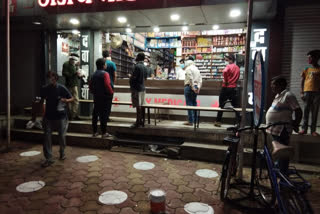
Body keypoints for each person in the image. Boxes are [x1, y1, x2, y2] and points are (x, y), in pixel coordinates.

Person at [266, 76, 302, 174]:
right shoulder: (278, 96)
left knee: (283, 154)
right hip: (275, 130)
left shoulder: (288, 95)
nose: (271, 86)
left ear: (281, 85)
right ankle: (280, 172)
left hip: (282, 130)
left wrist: (295, 124)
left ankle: (283, 176)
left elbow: (298, 110)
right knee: (279, 154)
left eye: (273, 84)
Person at [40, 71, 74, 167]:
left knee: (62, 136)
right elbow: (41, 101)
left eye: (52, 77)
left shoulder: (61, 88)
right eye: (49, 77)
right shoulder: (45, 89)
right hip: (48, 117)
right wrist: (42, 114)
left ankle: (62, 152)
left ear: (56, 78)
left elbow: (72, 98)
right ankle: (49, 158)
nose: (50, 79)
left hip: (61, 117)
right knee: (47, 137)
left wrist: (65, 100)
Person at [90, 58, 114, 138]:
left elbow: (90, 86)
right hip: (105, 97)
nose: (106, 65)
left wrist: (94, 92)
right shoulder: (105, 74)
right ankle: (104, 133)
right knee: (104, 115)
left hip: (96, 96)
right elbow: (107, 84)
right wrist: (111, 92)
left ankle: (95, 132)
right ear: (103, 65)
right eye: (105, 64)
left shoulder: (93, 74)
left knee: (95, 114)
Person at [214, 54, 240, 127]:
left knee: (221, 105)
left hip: (226, 87)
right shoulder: (237, 67)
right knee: (235, 106)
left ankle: (218, 121)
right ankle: (239, 122)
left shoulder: (228, 66)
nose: (225, 61)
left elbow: (225, 72)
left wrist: (225, 80)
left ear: (230, 59)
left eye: (226, 60)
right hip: (233, 88)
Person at [299, 49, 320, 137]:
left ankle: (313, 130)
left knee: (314, 112)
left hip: (317, 93)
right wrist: (301, 92)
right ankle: (304, 129)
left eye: (310, 58)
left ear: (316, 58)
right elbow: (302, 80)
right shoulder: (306, 69)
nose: (309, 60)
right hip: (307, 92)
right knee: (306, 110)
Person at [130, 53, 148, 128]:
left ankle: (138, 122)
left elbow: (134, 78)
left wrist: (130, 79)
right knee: (142, 105)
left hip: (136, 88)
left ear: (138, 57)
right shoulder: (145, 67)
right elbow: (146, 78)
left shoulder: (137, 66)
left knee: (138, 105)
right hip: (143, 88)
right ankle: (142, 121)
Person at [184, 56, 202, 126]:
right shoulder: (197, 69)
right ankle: (195, 120)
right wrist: (198, 88)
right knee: (194, 104)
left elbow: (190, 78)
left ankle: (190, 121)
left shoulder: (188, 68)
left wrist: (192, 87)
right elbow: (200, 80)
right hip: (196, 87)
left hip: (189, 87)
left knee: (189, 104)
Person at [62, 54, 81, 120]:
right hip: (69, 85)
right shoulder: (66, 64)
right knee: (69, 100)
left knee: (76, 100)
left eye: (75, 60)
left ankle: (74, 114)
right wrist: (74, 73)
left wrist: (80, 75)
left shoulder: (75, 65)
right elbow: (64, 74)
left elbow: (77, 75)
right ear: (70, 59)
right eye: (73, 60)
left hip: (75, 84)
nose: (74, 61)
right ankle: (70, 115)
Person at [102, 50, 117, 122]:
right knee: (108, 103)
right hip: (110, 85)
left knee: (101, 102)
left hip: (101, 86)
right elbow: (114, 75)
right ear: (109, 55)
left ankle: (101, 116)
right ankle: (106, 117)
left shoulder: (101, 63)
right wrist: (113, 83)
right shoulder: (112, 64)